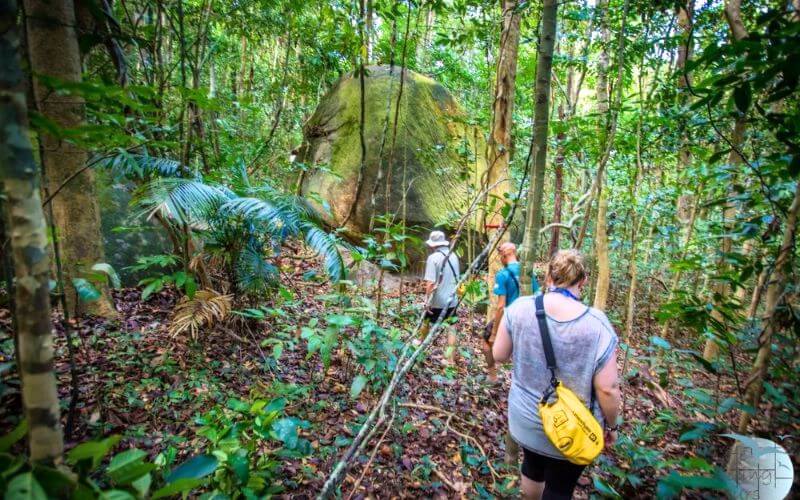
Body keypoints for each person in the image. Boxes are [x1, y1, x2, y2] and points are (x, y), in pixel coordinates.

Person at [493, 249, 621, 500]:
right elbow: (608, 389)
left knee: (532, 469)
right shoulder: (596, 324)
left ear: (548, 277)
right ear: (583, 281)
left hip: (528, 418)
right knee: (560, 487)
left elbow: (499, 354)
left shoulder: (520, 308)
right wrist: (612, 425)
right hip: (574, 426)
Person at [484, 242, 540, 382]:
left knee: (486, 343)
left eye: (500, 256)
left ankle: (492, 377)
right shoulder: (527, 271)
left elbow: (501, 306)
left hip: (509, 318)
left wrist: (495, 332)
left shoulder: (502, 274)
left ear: (504, 255)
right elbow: (538, 295)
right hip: (528, 318)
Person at [421, 230, 460, 360]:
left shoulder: (433, 258)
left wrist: (426, 301)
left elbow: (431, 283)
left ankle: (420, 346)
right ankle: (450, 360)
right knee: (452, 328)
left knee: (426, 321)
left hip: (437, 300)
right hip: (452, 300)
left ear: (432, 245)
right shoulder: (453, 256)